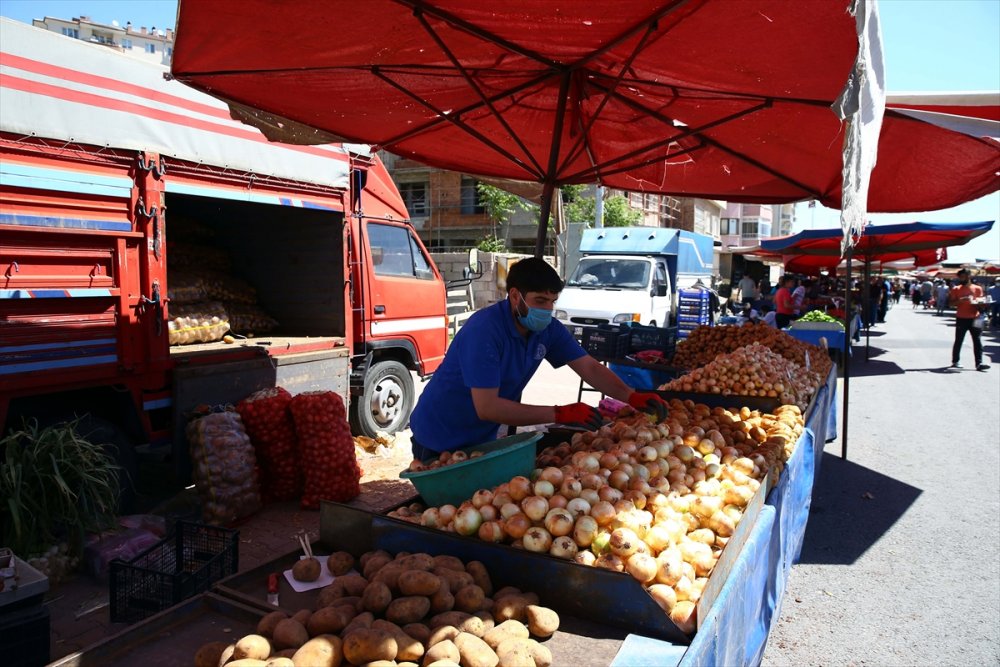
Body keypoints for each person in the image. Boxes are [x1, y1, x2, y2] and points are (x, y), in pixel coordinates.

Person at [408, 257, 670, 458]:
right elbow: (487, 407)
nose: (547, 309)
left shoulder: (547, 329)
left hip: (480, 436)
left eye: (552, 301)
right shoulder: (484, 331)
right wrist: (559, 413)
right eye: (540, 300)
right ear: (514, 296)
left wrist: (630, 395)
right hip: (439, 432)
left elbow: (588, 366)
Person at [947, 269, 989, 371]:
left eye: (963, 276)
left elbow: (982, 304)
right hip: (962, 318)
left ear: (969, 277)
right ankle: (955, 361)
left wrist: (981, 304)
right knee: (959, 340)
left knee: (977, 340)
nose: (961, 278)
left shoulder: (978, 288)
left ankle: (979, 363)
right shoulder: (956, 289)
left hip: (976, 318)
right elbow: (951, 304)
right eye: (960, 277)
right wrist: (960, 301)